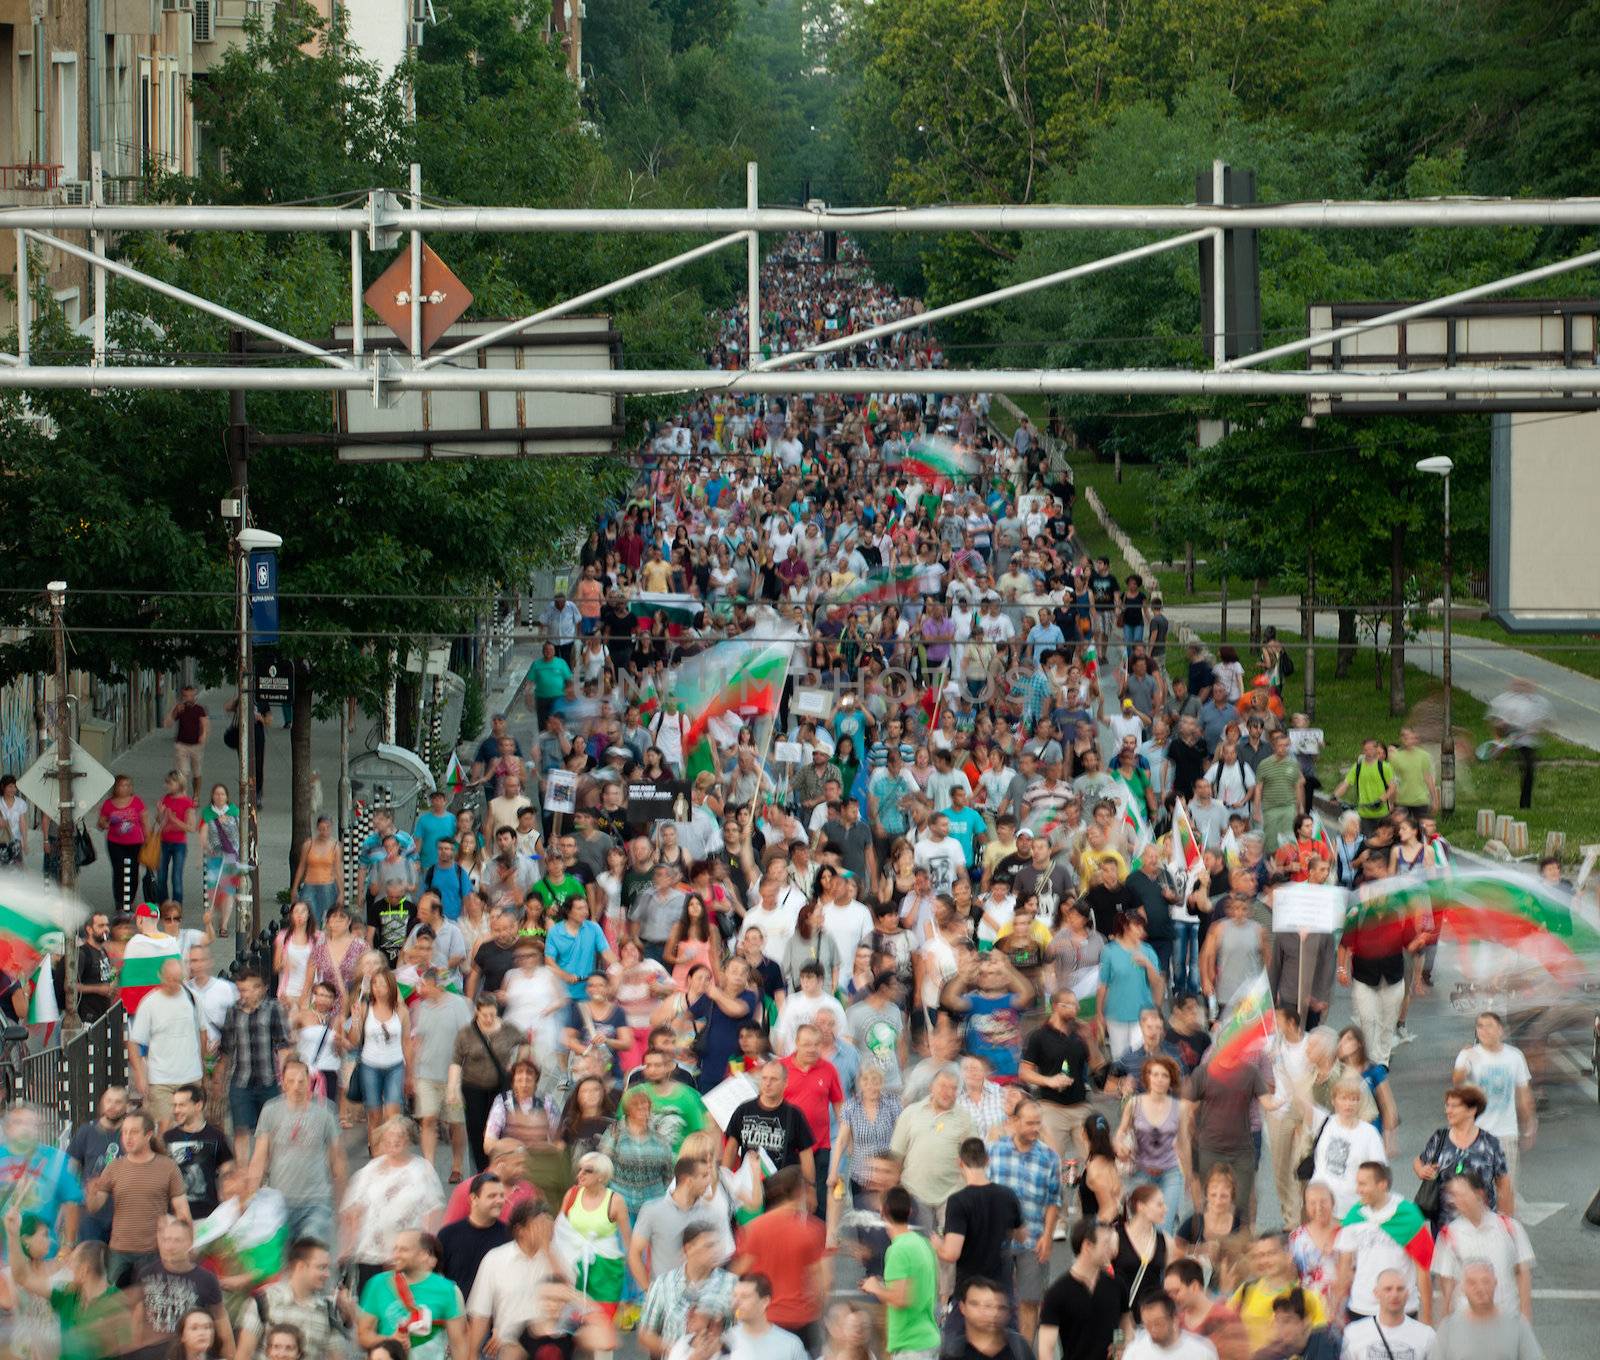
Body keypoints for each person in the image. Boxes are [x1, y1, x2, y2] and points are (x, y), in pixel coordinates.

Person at [341, 1117, 447, 1297]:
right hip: (370, 1253)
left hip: (406, 1254)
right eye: (388, 1136)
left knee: (402, 1306)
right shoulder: (370, 1170)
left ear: (409, 1139)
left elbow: (434, 1210)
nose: (394, 1140)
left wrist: (429, 1249)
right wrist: (348, 1246)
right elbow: (354, 1209)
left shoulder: (422, 1170)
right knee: (370, 1306)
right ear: (381, 1141)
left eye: (400, 1135)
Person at [247, 1058, 345, 1247]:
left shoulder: (326, 1110)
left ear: (310, 1081)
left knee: (308, 1254)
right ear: (282, 1082)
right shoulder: (270, 1110)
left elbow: (338, 1160)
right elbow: (259, 1158)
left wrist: (341, 1204)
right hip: (279, 1202)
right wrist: (250, 1196)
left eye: (301, 1081)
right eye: (290, 1081)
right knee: (283, 1264)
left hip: (317, 1201)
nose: (296, 1087)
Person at [731, 1164, 829, 1352]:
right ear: (800, 1191)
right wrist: (817, 1311)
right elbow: (823, 1282)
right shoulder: (813, 1229)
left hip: (763, 1317)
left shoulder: (754, 1228)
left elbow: (739, 1270)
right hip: (801, 1319)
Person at [87, 1111, 189, 1287]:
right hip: (119, 1250)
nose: (127, 1137)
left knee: (152, 1303)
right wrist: (91, 1192)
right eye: (124, 1132)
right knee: (116, 1305)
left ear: (148, 1135)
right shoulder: (114, 1167)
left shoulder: (168, 1167)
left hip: (154, 1250)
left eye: (133, 1132)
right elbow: (94, 1207)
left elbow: (182, 1210)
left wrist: (186, 1245)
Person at [988, 1098, 1062, 1343]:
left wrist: (1048, 1237)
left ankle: (1025, 1351)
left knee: (1030, 1301)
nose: (1034, 1128)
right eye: (1029, 1123)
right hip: (998, 1240)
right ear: (1015, 1122)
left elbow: (1054, 1201)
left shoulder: (1050, 1158)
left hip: (1034, 1239)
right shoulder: (995, 1151)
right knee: (995, 1300)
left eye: (1038, 1123)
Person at [1333, 1163, 1432, 1328]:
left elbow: (1423, 1268)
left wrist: (1427, 1316)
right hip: (1361, 1307)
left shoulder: (1409, 1216)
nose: (1358, 1190)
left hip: (1402, 1308)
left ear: (1382, 1184)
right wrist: (1336, 1306)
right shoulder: (1353, 1217)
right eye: (1358, 1184)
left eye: (1363, 1184)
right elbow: (1344, 1267)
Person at [213, 965, 291, 1165]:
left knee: (268, 1132)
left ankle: (264, 1172)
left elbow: (283, 1047)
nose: (242, 994)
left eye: (245, 990)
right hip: (241, 1080)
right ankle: (242, 1172)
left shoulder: (274, 1009)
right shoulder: (233, 1012)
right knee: (240, 1129)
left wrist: (287, 1079)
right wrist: (219, 1081)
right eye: (239, 990)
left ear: (259, 989)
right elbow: (227, 1050)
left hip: (268, 1080)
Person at [1430, 1171, 1534, 1322]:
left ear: (1480, 1194)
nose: (1456, 1201)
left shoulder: (1510, 1228)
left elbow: (1523, 1273)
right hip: (1467, 1327)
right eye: (1453, 1195)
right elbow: (1446, 1287)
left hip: (1506, 1322)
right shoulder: (1448, 1235)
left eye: (1462, 1194)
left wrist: (1525, 1314)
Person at [1450, 1013, 1534, 1197]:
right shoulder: (1469, 1055)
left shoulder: (1515, 1056)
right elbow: (1457, 1083)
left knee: (1506, 1191)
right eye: (1480, 1026)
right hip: (1475, 1135)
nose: (1484, 1030)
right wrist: (1464, 1060)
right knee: (1476, 1192)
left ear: (1501, 1030)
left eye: (1489, 1025)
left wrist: (1529, 1125)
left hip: (1506, 1134)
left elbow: (1523, 1093)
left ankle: (1504, 1225)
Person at [127, 1214, 233, 1357]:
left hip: (187, 1353)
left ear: (189, 1243)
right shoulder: (145, 1273)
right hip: (151, 1353)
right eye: (166, 1240)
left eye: (177, 1241)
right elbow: (137, 1318)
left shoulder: (206, 1279)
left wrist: (230, 1354)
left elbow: (220, 1318)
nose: (169, 1246)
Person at [355, 1228, 467, 1360]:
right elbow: (363, 1336)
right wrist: (390, 1340)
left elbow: (459, 1345)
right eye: (395, 1249)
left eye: (404, 1250)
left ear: (423, 1255)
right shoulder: (377, 1284)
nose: (396, 1255)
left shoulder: (449, 1290)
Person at [234, 1236, 351, 1360]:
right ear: (300, 1266)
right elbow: (243, 1355)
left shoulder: (327, 1310)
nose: (327, 1274)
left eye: (328, 1268)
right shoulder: (264, 1300)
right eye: (321, 1267)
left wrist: (350, 1314)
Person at [1413, 1086, 1512, 1229]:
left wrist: (1505, 1222)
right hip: (1444, 1225)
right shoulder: (1440, 1137)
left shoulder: (1490, 1143)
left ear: (1472, 1110)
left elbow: (1503, 1183)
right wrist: (1421, 1170)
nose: (1448, 1110)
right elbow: (1419, 1161)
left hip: (1482, 1224)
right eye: (1447, 1105)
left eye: (1454, 1106)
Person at [860, 1185, 940, 1360]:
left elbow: (900, 1299)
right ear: (910, 1211)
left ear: (883, 1212)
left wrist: (875, 1287)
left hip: (910, 1344)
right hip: (927, 1339)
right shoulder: (922, 1243)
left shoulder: (897, 1250)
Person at [638, 1222, 738, 1358]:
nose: (716, 1251)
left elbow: (742, 1332)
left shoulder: (731, 1283)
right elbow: (646, 1334)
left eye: (718, 1244)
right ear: (688, 1248)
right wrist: (681, 1351)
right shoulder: (664, 1283)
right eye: (708, 1246)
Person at [128, 957, 206, 1129]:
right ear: (161, 976)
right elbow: (134, 1042)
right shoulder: (149, 1003)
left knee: (191, 1125)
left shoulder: (192, 998)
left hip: (190, 1076)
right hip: (161, 1080)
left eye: (177, 979)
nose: (173, 984)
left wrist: (203, 1064)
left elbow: (203, 1031)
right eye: (170, 979)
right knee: (165, 1127)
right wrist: (140, 1076)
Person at [553, 1149, 632, 1318]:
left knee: (602, 1323)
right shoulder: (572, 1194)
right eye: (580, 1169)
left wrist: (630, 1290)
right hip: (575, 1266)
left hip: (607, 1270)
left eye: (588, 1170)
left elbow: (628, 1244)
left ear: (601, 1176)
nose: (580, 1174)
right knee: (575, 1324)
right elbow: (559, 1231)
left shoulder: (615, 1201)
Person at [1037, 1218, 1121, 1360]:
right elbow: (1046, 1349)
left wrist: (1120, 1344)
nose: (1113, 1250)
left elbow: (1125, 1323)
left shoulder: (1116, 1285)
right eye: (1106, 1243)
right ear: (1087, 1245)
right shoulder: (1057, 1293)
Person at [724, 1059, 817, 1181]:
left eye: (773, 1079)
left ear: (785, 1083)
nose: (768, 1083)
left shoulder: (794, 1115)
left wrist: (810, 1188)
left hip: (783, 1188)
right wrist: (724, 1182)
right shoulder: (744, 1110)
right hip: (750, 1187)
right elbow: (731, 1149)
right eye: (764, 1078)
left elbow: (806, 1155)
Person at [1431, 1259, 1543, 1360]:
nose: (1480, 1288)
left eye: (1485, 1281)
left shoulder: (1517, 1324)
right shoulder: (1448, 1328)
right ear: (1463, 1288)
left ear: (1495, 1283)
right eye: (1472, 1283)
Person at [67, 1085, 127, 1246]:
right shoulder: (86, 1131)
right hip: (91, 1214)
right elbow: (70, 1170)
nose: (112, 1106)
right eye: (108, 1101)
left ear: (126, 1106)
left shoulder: (130, 1133)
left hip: (123, 1214)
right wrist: (75, 1198)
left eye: (118, 1102)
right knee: (90, 1263)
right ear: (101, 1103)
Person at [163, 1084, 232, 1222]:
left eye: (182, 1105)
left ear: (198, 1105)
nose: (176, 1110)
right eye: (174, 1105)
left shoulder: (216, 1136)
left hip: (208, 1215)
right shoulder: (168, 1138)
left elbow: (228, 1169)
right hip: (174, 1216)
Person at [438, 1172, 510, 1300]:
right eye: (492, 1196)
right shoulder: (448, 1235)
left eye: (502, 1195)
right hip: (456, 1312)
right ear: (474, 1199)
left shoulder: (509, 1236)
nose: (500, 1200)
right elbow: (436, 1277)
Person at [1339, 1268, 1435, 1360]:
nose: (1394, 1295)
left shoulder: (1426, 1335)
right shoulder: (1354, 1333)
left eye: (1400, 1289)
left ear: (1407, 1294)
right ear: (1376, 1293)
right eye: (1388, 1289)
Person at [1486, 677, 1551, 810]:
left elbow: (1544, 723)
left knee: (1528, 769)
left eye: (1526, 685)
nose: (1523, 687)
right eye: (1519, 684)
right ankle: (1500, 756)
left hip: (1525, 741)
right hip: (1509, 734)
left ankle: (1525, 804)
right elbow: (1494, 721)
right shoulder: (1504, 700)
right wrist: (1501, 729)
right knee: (1525, 766)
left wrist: (1534, 728)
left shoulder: (1538, 702)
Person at [730, 1273, 810, 1360]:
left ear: (765, 1302)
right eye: (734, 1296)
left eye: (745, 1297)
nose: (736, 1302)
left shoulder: (790, 1345)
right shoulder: (724, 1341)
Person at [1122, 1292, 1218, 1360]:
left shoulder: (1202, 1352)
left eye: (1158, 1323)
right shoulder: (1134, 1352)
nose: (1152, 1329)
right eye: (1147, 1324)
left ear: (1174, 1319)